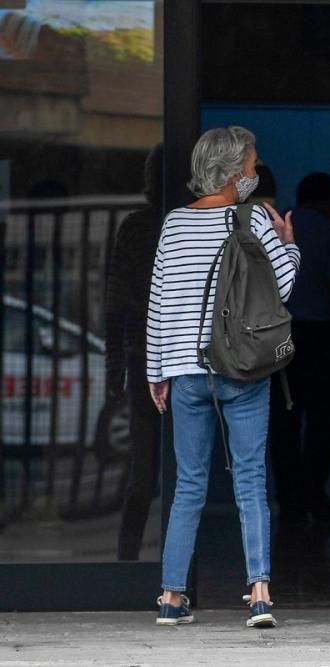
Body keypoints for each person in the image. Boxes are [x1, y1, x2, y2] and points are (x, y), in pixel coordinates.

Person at [146, 126, 300, 628]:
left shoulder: (173, 224)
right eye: (253, 166)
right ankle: (259, 593)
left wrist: (157, 371)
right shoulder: (253, 218)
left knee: (189, 485)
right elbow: (282, 290)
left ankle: (171, 597)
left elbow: (159, 302)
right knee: (251, 482)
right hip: (241, 368)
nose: (255, 174)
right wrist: (289, 245)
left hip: (185, 371)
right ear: (236, 173)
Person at [270, 171, 330, 523]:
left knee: (283, 420)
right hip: (319, 338)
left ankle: (289, 500)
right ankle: (314, 494)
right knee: (322, 419)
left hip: (279, 336)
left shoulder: (276, 230)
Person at [106, 144, 164, 561]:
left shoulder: (135, 227)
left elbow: (116, 305)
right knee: (187, 476)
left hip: (142, 356)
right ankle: (172, 571)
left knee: (142, 474)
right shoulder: (188, 224)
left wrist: (114, 367)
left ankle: (127, 563)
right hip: (184, 362)